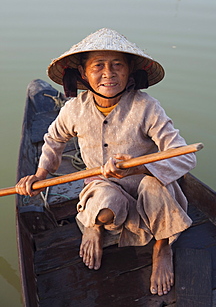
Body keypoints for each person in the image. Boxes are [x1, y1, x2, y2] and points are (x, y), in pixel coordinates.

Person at [15, 28, 196, 296]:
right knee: (102, 206)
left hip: (147, 190)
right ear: (84, 73)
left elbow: (184, 155)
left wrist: (138, 166)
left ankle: (162, 246)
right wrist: (40, 176)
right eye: (98, 65)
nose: (108, 73)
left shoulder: (146, 107)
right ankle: (94, 227)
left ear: (130, 71)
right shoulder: (74, 109)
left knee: (153, 187)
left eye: (117, 65)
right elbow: (53, 140)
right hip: (103, 187)